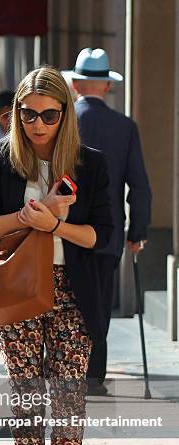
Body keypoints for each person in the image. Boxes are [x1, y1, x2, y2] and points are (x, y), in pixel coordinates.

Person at [0, 66, 113, 445]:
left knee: (68, 399)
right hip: (17, 289)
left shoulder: (89, 164)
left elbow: (102, 236)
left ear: (65, 114)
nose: (37, 124)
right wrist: (27, 218)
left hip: (74, 290)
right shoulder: (0, 158)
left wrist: (55, 226)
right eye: (27, 114)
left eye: (48, 115)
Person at [64, 48, 152, 395]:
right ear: (105, 86)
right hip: (108, 231)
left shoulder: (63, 120)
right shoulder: (125, 127)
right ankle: (93, 375)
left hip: (63, 228)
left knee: (66, 298)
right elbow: (139, 185)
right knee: (99, 300)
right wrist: (139, 230)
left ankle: (65, 367)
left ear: (76, 85)